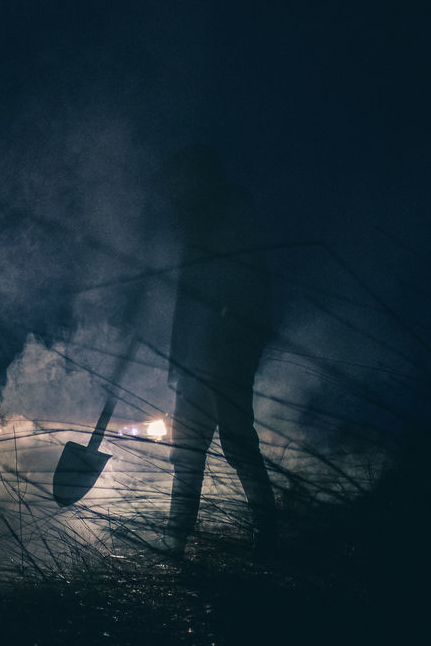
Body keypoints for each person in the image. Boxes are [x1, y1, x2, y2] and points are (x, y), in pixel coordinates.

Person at [156, 145, 277, 559]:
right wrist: (179, 359)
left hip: (228, 354)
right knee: (188, 450)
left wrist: (234, 336)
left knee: (237, 442)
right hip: (195, 360)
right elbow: (186, 302)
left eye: (181, 181)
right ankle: (176, 540)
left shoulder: (229, 216)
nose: (174, 192)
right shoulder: (196, 223)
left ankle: (268, 533)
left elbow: (249, 289)